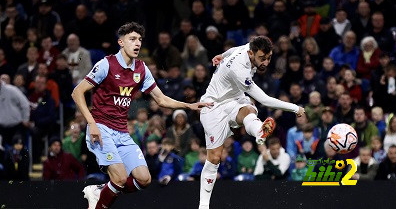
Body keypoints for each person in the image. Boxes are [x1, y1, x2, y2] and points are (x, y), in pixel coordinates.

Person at [72, 22, 211, 209]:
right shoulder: (106, 64)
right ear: (121, 42)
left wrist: (189, 105)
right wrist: (92, 123)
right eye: (132, 39)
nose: (137, 43)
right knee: (120, 177)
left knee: (144, 179)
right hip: (101, 128)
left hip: (122, 132)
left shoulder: (141, 69)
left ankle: (100, 190)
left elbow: (161, 99)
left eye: (139, 40)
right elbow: (77, 92)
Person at [198, 36, 305, 208]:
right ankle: (203, 205)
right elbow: (265, 99)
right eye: (262, 58)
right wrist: (294, 108)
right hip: (213, 107)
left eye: (269, 57)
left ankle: (259, 132)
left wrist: (222, 55)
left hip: (235, 100)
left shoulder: (250, 46)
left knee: (250, 108)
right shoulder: (239, 69)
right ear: (251, 54)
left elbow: (234, 50)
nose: (266, 62)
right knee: (215, 158)